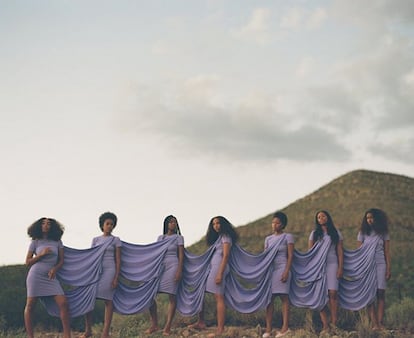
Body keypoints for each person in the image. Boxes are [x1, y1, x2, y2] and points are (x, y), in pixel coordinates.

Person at [189, 216, 238, 336]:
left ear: (223, 224)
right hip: (213, 269)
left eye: (218, 223)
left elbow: (226, 256)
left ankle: (220, 328)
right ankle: (201, 322)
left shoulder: (226, 237)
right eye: (214, 224)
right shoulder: (218, 238)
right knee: (201, 293)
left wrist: (220, 274)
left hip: (219, 269)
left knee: (219, 297)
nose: (216, 226)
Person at [24, 217, 71, 338]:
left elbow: (61, 260)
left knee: (64, 303)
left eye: (48, 224)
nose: (46, 225)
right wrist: (41, 254)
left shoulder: (57, 242)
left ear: (52, 227)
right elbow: (28, 262)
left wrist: (55, 269)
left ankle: (67, 335)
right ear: (39, 226)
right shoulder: (35, 242)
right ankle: (30, 336)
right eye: (43, 223)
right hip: (35, 276)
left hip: (50, 278)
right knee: (30, 306)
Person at [81, 212, 122, 338]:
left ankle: (105, 332)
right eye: (107, 224)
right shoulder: (96, 240)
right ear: (102, 225)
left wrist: (116, 277)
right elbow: (91, 256)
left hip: (110, 270)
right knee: (88, 300)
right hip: (96, 272)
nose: (110, 226)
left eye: (112, 224)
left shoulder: (116, 240)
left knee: (108, 301)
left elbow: (118, 260)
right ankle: (88, 330)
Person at [146, 215, 184, 336]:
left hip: (173, 265)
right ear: (166, 224)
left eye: (175, 222)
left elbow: (181, 256)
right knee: (150, 295)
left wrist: (179, 270)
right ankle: (155, 325)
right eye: (171, 222)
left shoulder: (179, 238)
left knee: (172, 296)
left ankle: (167, 327)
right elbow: (156, 253)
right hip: (160, 267)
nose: (173, 224)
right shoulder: (160, 238)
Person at [308, 210, 343, 334]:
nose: (321, 218)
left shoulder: (336, 233)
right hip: (319, 267)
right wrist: (312, 270)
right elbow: (310, 253)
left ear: (328, 217)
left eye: (323, 216)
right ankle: (325, 325)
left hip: (333, 265)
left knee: (333, 293)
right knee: (321, 295)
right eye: (318, 217)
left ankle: (334, 323)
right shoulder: (314, 234)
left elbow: (340, 252)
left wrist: (340, 268)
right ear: (317, 220)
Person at [357, 208, 391, 330]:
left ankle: (380, 323)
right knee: (370, 295)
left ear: (376, 218)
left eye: (371, 217)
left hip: (380, 264)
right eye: (367, 218)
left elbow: (387, 251)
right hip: (367, 266)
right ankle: (374, 323)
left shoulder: (383, 232)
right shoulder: (362, 232)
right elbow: (359, 252)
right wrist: (360, 269)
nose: (369, 220)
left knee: (380, 293)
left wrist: (388, 269)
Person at [262, 211, 294, 338]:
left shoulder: (288, 237)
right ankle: (268, 329)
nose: (274, 225)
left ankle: (285, 327)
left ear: (283, 224)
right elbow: (265, 256)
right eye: (273, 222)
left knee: (284, 298)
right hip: (271, 271)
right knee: (269, 300)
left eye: (277, 223)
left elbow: (291, 255)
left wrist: (286, 271)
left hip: (282, 268)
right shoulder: (268, 239)